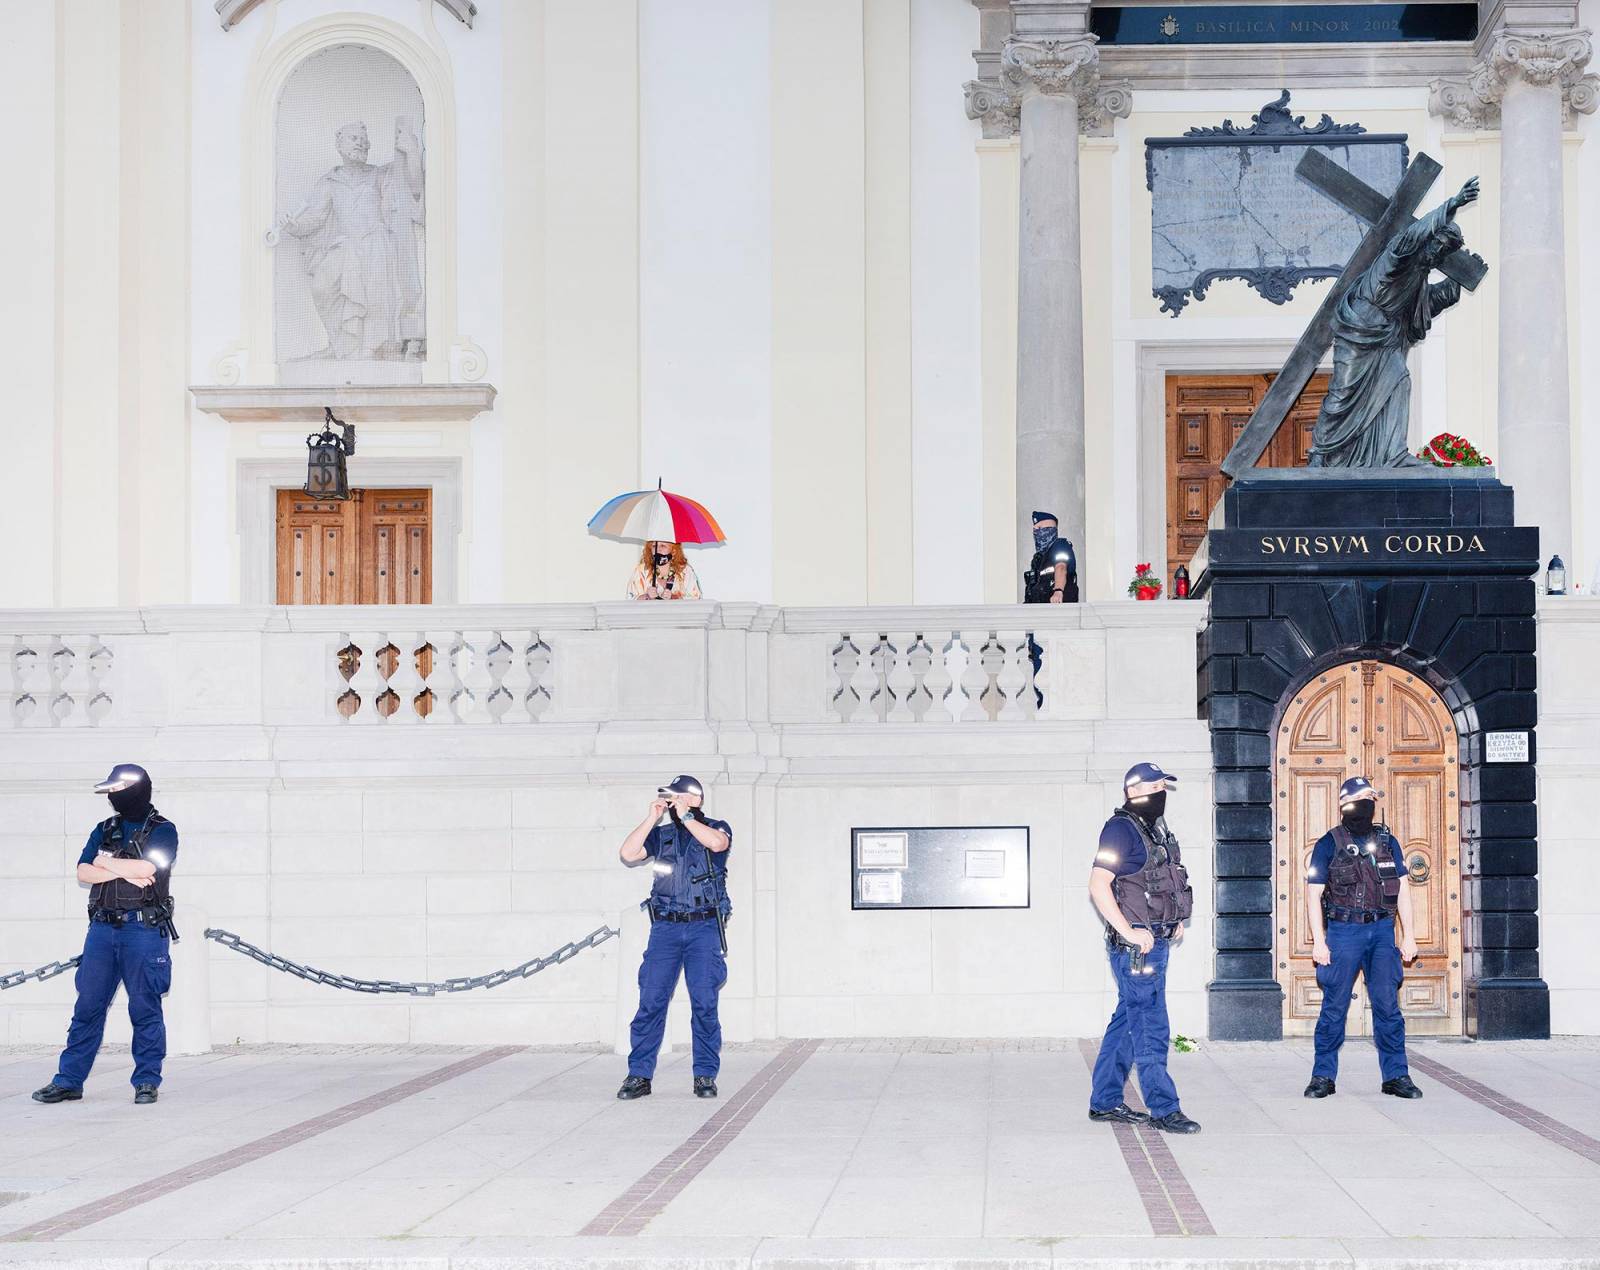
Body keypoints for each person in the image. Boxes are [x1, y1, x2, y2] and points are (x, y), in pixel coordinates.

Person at [32, 766, 179, 1105]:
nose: (114, 795)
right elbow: (84, 872)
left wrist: (106, 863)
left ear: (138, 789)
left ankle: (146, 1081)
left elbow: (148, 869)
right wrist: (113, 864)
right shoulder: (104, 829)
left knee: (145, 1008)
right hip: (101, 931)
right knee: (87, 1007)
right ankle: (69, 1081)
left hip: (143, 930)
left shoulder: (163, 830)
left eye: (120, 788)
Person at [1307, 177, 1478, 467]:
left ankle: (1393, 454)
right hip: (1358, 330)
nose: (1438, 253)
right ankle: (1320, 455)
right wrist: (1453, 204)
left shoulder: (1420, 277)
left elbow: (1422, 309)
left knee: (1400, 381)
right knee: (1342, 393)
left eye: (1445, 251)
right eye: (1437, 244)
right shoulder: (1398, 256)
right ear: (1429, 239)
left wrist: (1456, 285)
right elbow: (1414, 234)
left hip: (1387, 340)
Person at [1086, 762, 1201, 1133]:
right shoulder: (1120, 830)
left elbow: (1162, 883)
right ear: (1135, 791)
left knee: (1127, 1022)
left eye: (1164, 786)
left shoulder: (1154, 830)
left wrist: (1176, 919)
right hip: (1137, 949)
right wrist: (1127, 930)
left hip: (1156, 942)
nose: (1162, 793)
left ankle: (1104, 1102)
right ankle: (1164, 1109)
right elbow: (1098, 885)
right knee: (1151, 1025)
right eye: (1157, 786)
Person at [1303, 776, 1423, 1099]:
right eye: (1361, 798)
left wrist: (1408, 936)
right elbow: (1313, 895)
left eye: (1371, 797)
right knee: (1334, 1008)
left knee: (1388, 1007)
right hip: (1343, 933)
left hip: (1383, 932)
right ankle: (1322, 1076)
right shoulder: (1328, 843)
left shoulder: (1387, 841)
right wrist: (1319, 941)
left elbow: (1404, 891)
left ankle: (1396, 1076)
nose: (1367, 803)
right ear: (1345, 805)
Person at [616, 775, 731, 1100]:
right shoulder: (662, 835)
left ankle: (705, 1075)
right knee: (650, 1002)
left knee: (704, 1003)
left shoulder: (716, 826)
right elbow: (627, 853)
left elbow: (717, 844)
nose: (673, 800)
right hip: (665, 930)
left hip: (703, 928)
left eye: (679, 796)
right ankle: (639, 1075)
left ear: (695, 798)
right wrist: (652, 817)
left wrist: (688, 816)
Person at [274, 119, 425, 362]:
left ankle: (371, 347)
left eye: (364, 141)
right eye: (354, 139)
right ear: (339, 143)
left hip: (375, 242)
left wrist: (412, 153)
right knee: (322, 286)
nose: (361, 144)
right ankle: (341, 344)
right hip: (345, 247)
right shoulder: (330, 181)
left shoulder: (379, 174)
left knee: (375, 295)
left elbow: (414, 188)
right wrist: (294, 226)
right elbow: (315, 217)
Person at [1023, 511, 1078, 604]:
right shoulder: (1038, 559)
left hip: (1058, 609)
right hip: (1039, 611)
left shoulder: (1060, 546)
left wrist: (1058, 591)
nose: (1036, 533)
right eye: (1034, 530)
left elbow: (1061, 567)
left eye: (1040, 528)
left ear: (1051, 530)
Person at [627, 541, 702, 600]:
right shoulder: (641, 570)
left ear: (674, 551)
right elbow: (629, 599)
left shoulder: (685, 571)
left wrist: (674, 597)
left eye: (663, 546)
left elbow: (697, 598)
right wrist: (647, 596)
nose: (658, 549)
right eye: (654, 546)